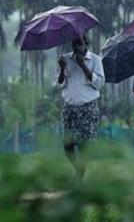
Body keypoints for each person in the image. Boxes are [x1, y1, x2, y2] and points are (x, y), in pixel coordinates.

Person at [56, 36, 105, 181]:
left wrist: (83, 66)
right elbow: (59, 83)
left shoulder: (95, 60)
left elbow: (100, 83)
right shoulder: (65, 59)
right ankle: (77, 168)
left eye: (80, 44)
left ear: (86, 44)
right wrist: (62, 68)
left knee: (85, 144)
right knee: (67, 143)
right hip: (70, 106)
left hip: (88, 107)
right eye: (74, 44)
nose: (77, 47)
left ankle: (80, 175)